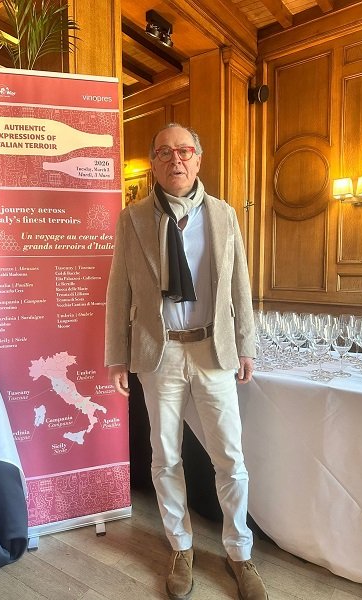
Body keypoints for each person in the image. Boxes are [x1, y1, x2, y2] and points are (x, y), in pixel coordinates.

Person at [105, 123, 268, 600]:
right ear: (153, 164)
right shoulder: (132, 218)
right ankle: (181, 546)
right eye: (164, 152)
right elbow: (119, 291)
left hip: (212, 351)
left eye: (184, 151)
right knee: (165, 457)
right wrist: (117, 356)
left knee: (230, 457)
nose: (175, 159)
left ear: (198, 159)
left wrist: (246, 344)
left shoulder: (223, 215)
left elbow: (240, 285)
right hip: (159, 354)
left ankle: (240, 552)